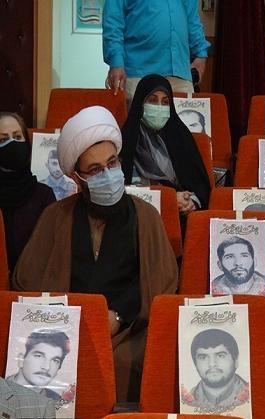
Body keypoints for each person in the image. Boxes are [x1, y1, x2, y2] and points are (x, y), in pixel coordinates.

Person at [12, 106, 179, 402]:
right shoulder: (55, 217)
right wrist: (68, 325)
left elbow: (161, 281)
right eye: (95, 170)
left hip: (130, 332)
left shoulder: (146, 215)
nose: (108, 174)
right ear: (77, 178)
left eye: (112, 163)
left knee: (138, 361)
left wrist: (119, 315)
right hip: (63, 334)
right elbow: (28, 283)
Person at [120, 75, 211, 214]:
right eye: (152, 100)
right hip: (140, 214)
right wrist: (169, 199)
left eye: (165, 102)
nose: (159, 107)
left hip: (181, 215)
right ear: (140, 103)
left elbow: (201, 186)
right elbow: (125, 190)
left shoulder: (180, 137)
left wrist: (192, 202)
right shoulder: (126, 141)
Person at [102, 0, 210, 102]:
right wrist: (116, 62)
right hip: (139, 73)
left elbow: (192, 20)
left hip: (180, 73)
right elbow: (113, 22)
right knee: (137, 116)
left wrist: (200, 54)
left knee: (185, 116)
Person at [0, 112, 55, 274]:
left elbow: (51, 252)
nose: (12, 144)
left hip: (33, 282)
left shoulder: (44, 195)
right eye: (3, 140)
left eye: (18, 137)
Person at [183, 329, 250, 410]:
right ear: (195, 364)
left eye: (220, 355)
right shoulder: (185, 403)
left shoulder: (252, 396)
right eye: (203, 357)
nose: (212, 364)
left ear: (236, 360)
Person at [6, 330, 70, 401]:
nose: (46, 367)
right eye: (39, 356)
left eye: (55, 361)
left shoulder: (57, 400)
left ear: (59, 368)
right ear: (21, 360)